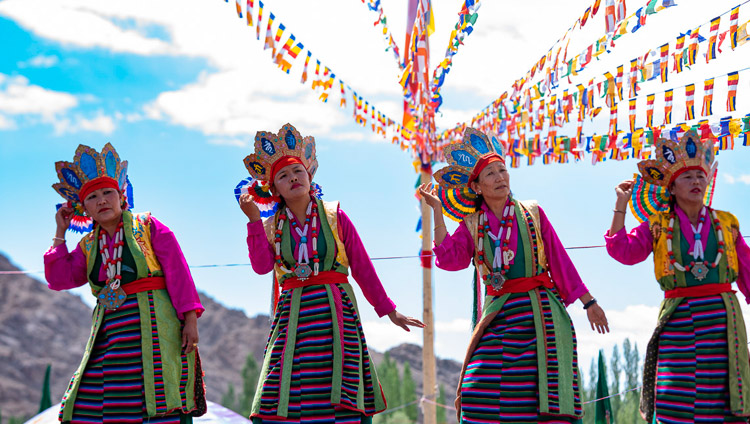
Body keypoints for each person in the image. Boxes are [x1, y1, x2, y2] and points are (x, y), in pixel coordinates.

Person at [418, 127, 609, 423]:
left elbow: (560, 260)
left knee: (538, 395)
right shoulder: (472, 223)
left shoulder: (532, 212)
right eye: (491, 174)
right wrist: (438, 214)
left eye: (502, 170)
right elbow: (451, 260)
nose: (500, 177)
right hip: (498, 314)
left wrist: (589, 302)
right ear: (478, 187)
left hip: (539, 315)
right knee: (477, 391)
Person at [237, 123, 424, 423]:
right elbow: (261, 267)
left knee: (337, 385)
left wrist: (389, 311)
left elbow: (362, 266)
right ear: (274, 190)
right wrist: (253, 223)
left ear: (310, 176)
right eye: (283, 176)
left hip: (335, 314)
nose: (293, 178)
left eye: (298, 171)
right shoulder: (271, 226)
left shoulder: (335, 215)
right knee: (285, 383)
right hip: (292, 317)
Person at [44, 143, 206, 423]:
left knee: (159, 394)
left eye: (108, 192)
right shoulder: (88, 245)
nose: (102, 200)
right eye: (93, 197)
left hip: (155, 325)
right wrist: (60, 231)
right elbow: (59, 279)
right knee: (93, 403)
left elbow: (178, 271)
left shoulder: (149, 225)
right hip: (112, 331)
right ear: (85, 208)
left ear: (121, 196)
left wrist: (189, 318)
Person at [605, 129, 750, 423]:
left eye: (700, 176)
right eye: (687, 177)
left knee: (723, 396)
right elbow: (624, 251)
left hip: (722, 322)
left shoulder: (727, 222)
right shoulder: (657, 225)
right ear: (671, 187)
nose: (696, 182)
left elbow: (747, 271)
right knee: (674, 394)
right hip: (678, 319)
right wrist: (621, 204)